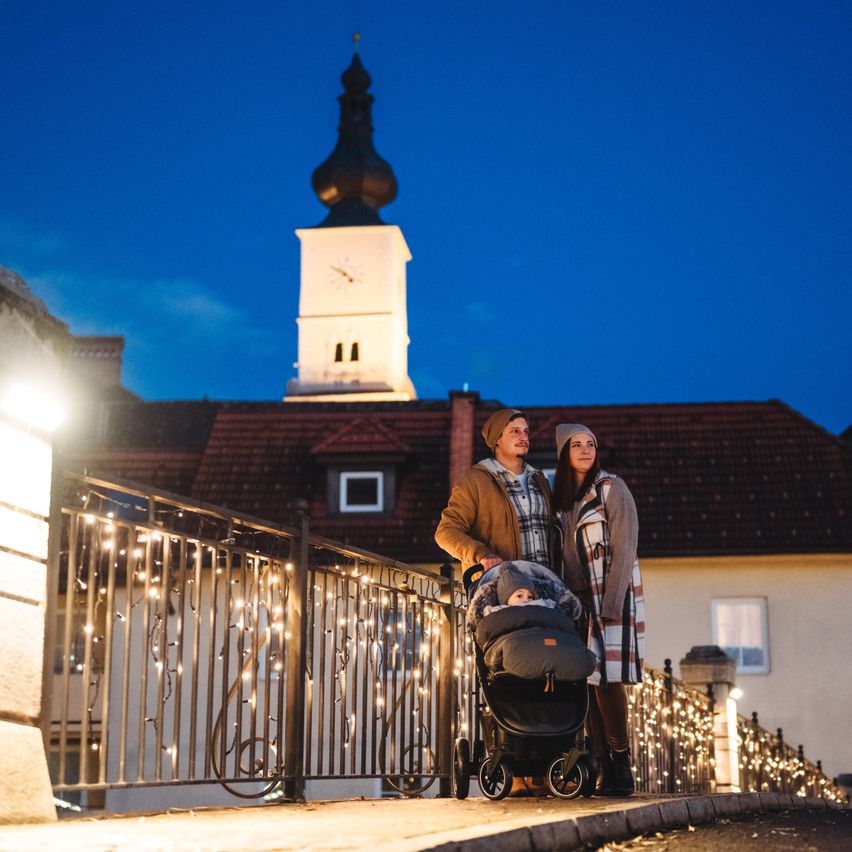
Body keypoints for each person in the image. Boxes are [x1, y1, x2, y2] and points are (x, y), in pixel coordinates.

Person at [552, 423, 645, 797]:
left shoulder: (611, 489)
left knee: (608, 681)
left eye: (591, 443)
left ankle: (621, 762)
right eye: (577, 444)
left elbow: (625, 548)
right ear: (563, 452)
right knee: (584, 683)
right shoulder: (558, 499)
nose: (586, 449)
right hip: (571, 601)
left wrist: (611, 602)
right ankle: (601, 759)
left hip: (606, 596)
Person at [435, 408, 552, 577]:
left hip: (546, 590)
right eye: (515, 431)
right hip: (500, 589)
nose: (524, 437)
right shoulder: (475, 481)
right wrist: (482, 554)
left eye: (526, 431)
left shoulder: (540, 481)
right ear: (497, 439)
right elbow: (445, 532)